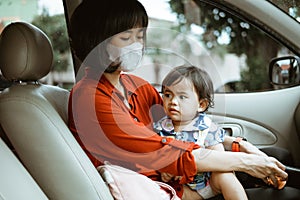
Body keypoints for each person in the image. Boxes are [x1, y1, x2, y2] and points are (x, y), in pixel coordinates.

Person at [68, 0, 297, 199]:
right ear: (97, 42)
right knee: (287, 194)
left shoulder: (134, 85)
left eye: (140, 36)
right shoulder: (90, 98)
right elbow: (165, 152)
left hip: (180, 178)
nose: (137, 45)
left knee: (278, 157)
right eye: (127, 37)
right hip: (163, 188)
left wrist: (243, 148)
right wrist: (247, 163)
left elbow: (186, 125)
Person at [154, 65, 248, 199]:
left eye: (182, 97)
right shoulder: (160, 129)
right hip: (182, 189)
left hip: (208, 184)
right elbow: (156, 158)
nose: (173, 102)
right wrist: (165, 170)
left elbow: (219, 160)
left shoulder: (207, 128)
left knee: (225, 176)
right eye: (168, 95)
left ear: (201, 105)